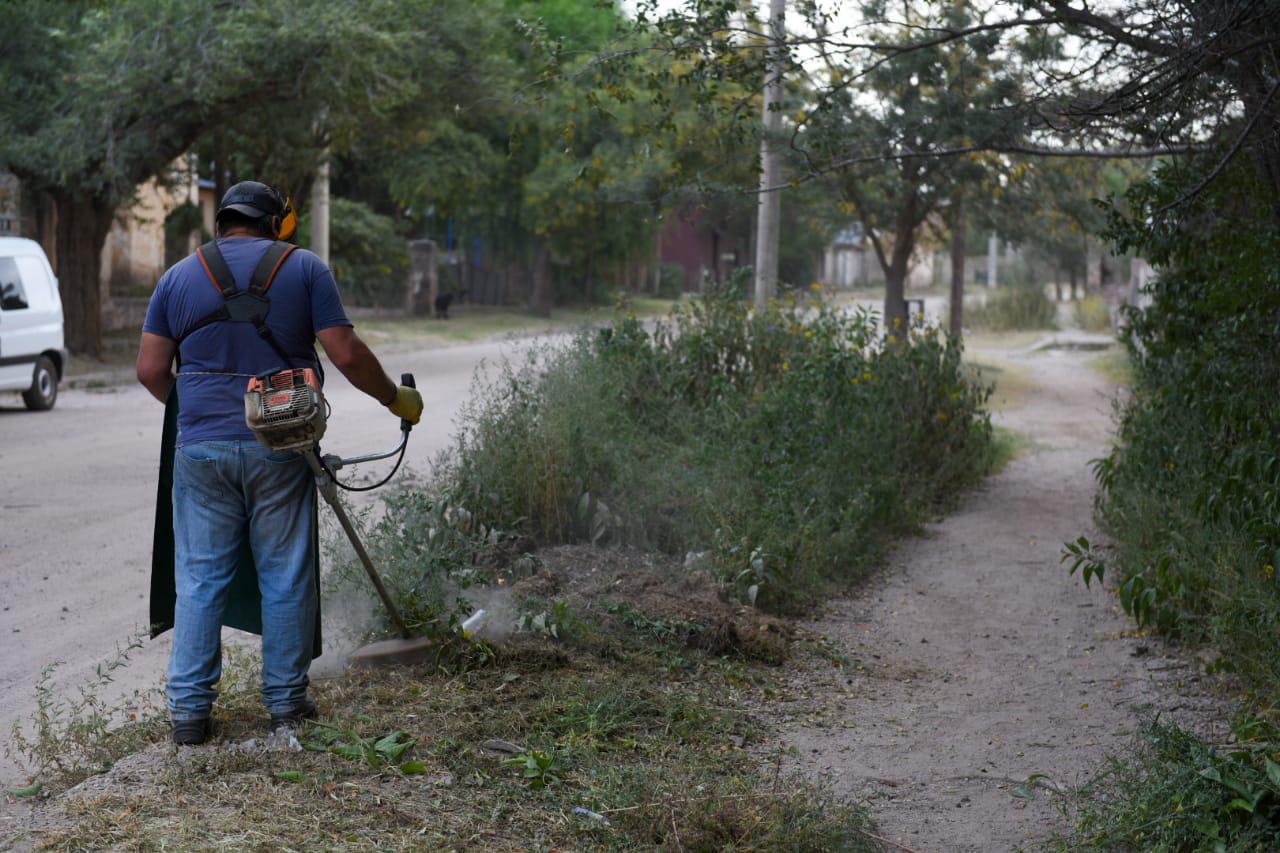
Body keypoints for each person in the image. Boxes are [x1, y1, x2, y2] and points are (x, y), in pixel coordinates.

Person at [136, 181, 423, 745]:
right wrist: (395, 397)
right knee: (284, 573)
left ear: (222, 226)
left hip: (201, 449)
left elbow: (150, 370)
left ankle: (190, 717)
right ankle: (286, 707)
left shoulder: (176, 277)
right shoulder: (306, 269)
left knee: (197, 578)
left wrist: (200, 410)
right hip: (282, 444)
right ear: (275, 226)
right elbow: (344, 353)